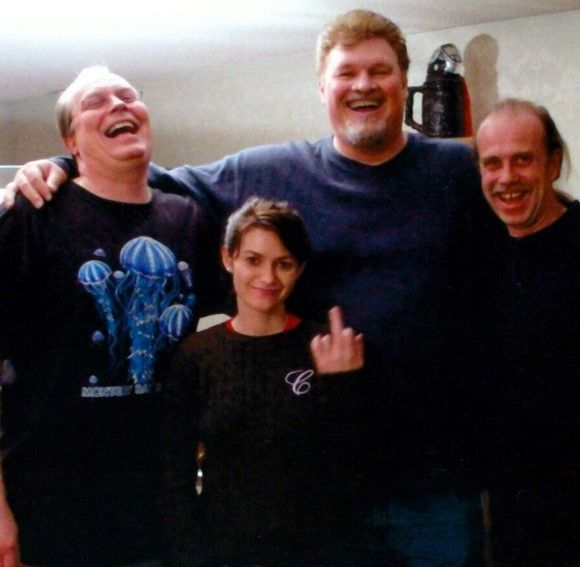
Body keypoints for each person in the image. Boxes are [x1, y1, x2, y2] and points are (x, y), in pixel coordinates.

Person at [3, 10, 490, 564]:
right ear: (322, 88)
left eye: (379, 71)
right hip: (322, 485)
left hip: (435, 485)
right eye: (346, 73)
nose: (363, 85)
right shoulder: (270, 171)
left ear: (404, 82)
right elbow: (141, 178)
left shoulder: (459, 170)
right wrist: (61, 164)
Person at [0, 66, 221, 566]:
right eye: (95, 102)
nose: (118, 105)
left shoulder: (187, 219)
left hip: (162, 514)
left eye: (127, 96)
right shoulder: (32, 216)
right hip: (51, 514)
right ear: (70, 142)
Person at [162, 197, 365, 565]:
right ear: (228, 258)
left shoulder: (329, 347)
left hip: (317, 552)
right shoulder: (197, 354)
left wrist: (343, 384)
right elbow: (176, 472)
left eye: (283, 264)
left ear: (299, 269)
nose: (268, 278)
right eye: (253, 260)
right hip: (225, 551)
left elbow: (350, 464)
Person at [474, 98, 580, 565]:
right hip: (514, 511)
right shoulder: (480, 255)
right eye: (491, 163)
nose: (506, 177)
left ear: (553, 163)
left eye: (523, 159)